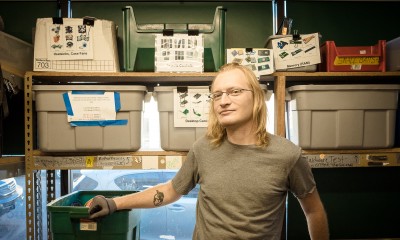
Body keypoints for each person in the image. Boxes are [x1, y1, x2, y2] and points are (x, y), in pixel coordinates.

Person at [88, 63, 329, 240]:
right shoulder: (203, 148)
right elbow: (170, 191)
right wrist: (114, 203)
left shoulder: (287, 155)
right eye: (217, 95)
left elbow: (314, 210)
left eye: (234, 92)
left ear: (256, 98)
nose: (223, 101)